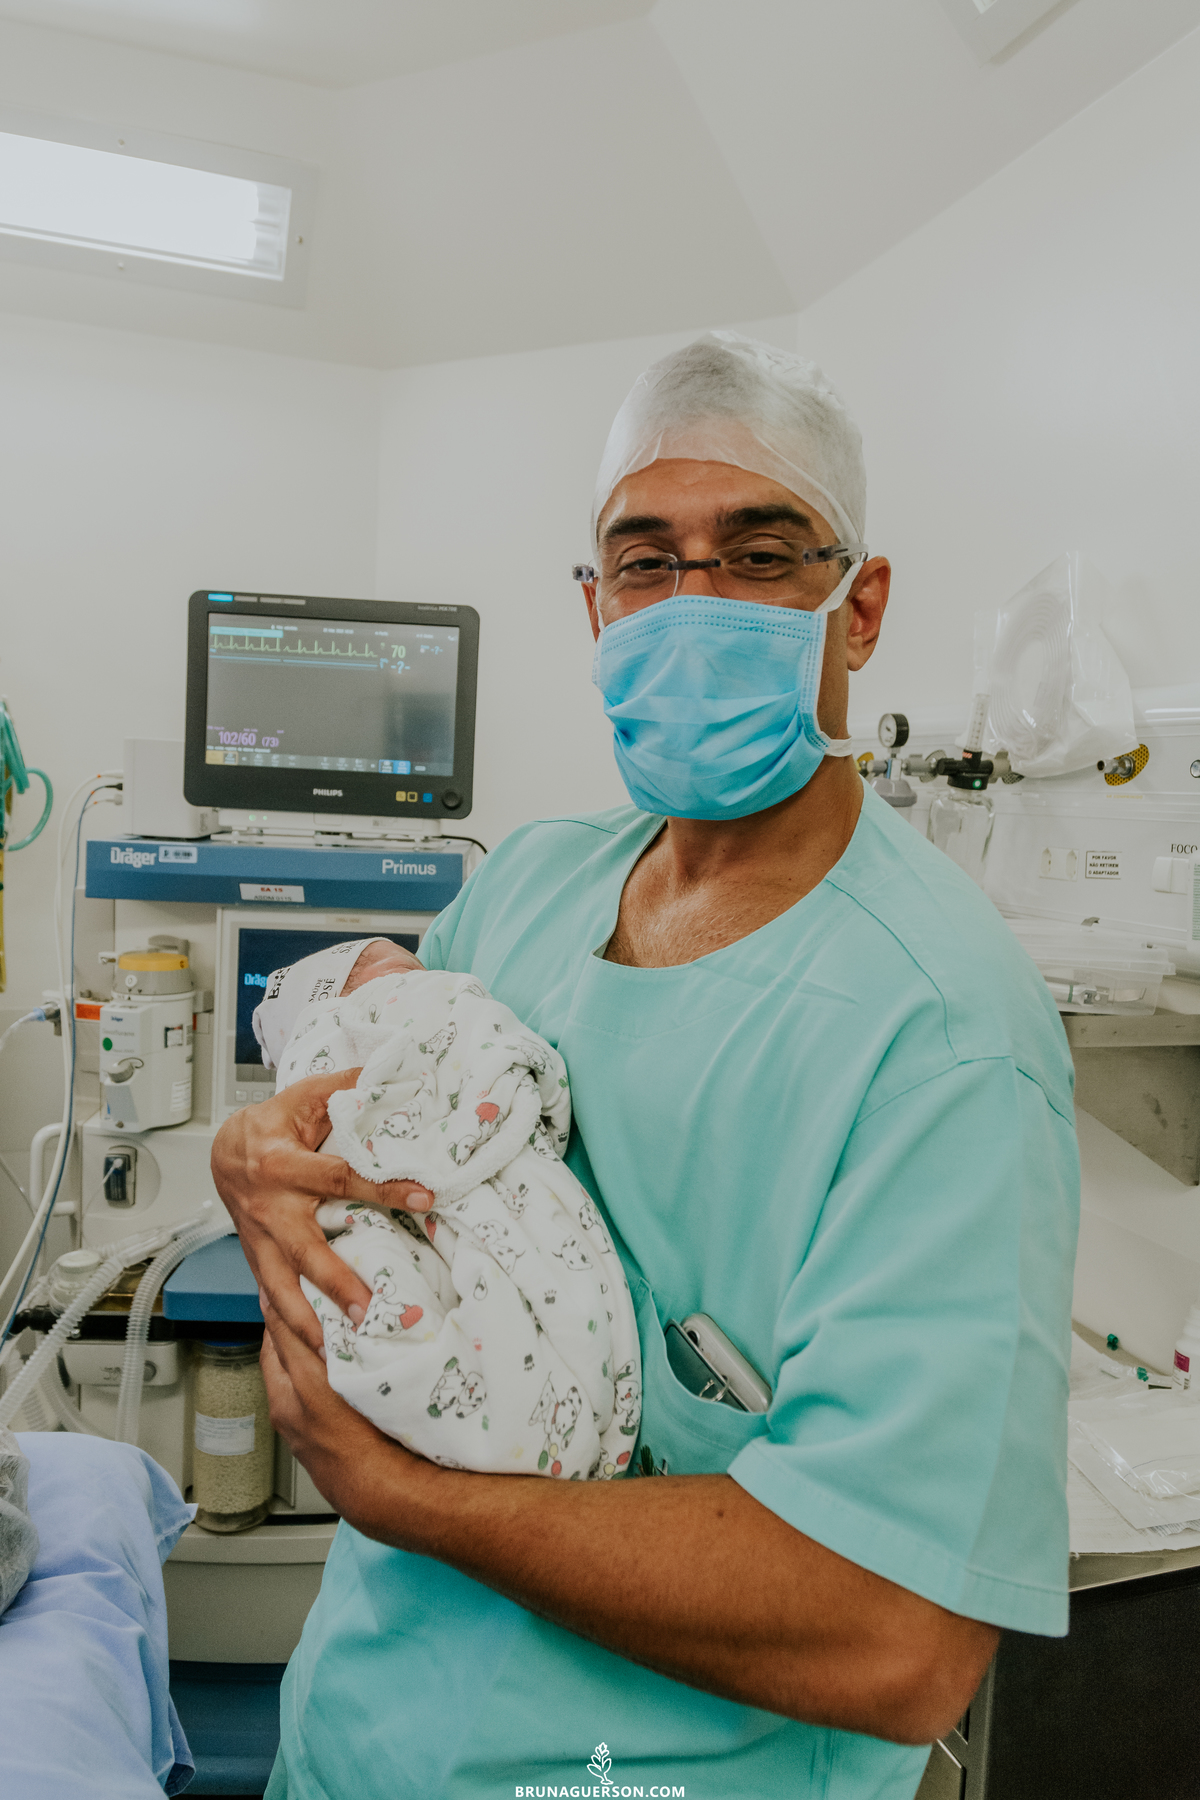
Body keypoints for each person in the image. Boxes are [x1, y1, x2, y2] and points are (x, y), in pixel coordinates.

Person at [212, 332, 1079, 1800]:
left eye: (757, 557)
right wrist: (259, 1154)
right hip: (352, 1741)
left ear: (856, 608)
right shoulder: (529, 890)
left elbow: (895, 1639)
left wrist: (406, 1496)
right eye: (646, 561)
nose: (694, 606)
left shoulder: (941, 1037)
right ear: (592, 605)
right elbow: (373, 1089)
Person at [250, 940, 642, 1481]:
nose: (410, 970)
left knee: (428, 1262)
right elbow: (533, 1072)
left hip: (466, 1179)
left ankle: (490, 1414)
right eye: (389, 968)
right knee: (379, 1261)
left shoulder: (444, 991)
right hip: (391, 1191)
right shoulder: (341, 1027)